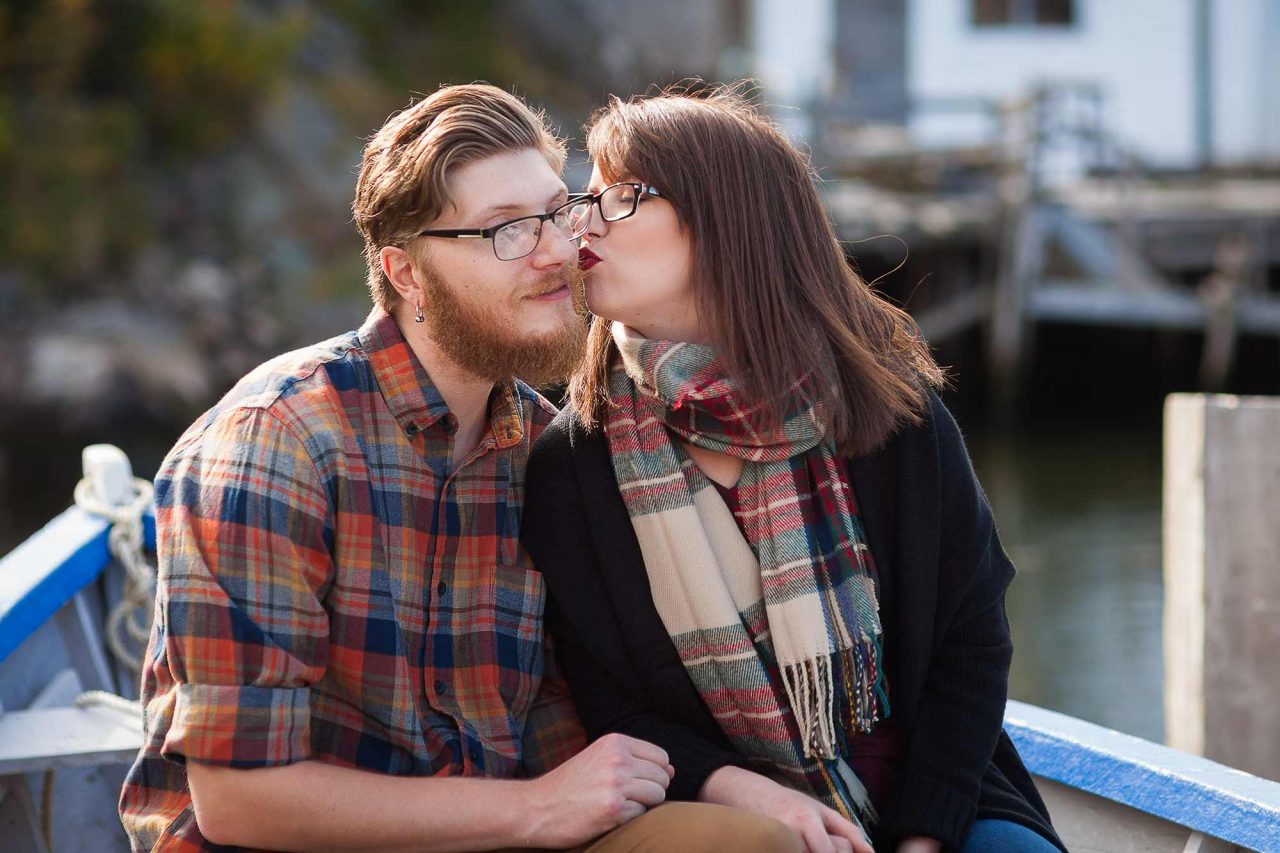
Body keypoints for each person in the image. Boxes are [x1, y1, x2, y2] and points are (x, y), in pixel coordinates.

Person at [119, 83, 797, 853]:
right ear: (407, 274)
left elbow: (575, 713)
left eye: (556, 211)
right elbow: (237, 799)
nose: (556, 249)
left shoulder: (552, 449)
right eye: (507, 230)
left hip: (511, 832)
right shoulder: (280, 441)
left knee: (750, 842)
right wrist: (538, 809)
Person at [522, 85, 1067, 853]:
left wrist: (924, 837)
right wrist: (747, 793)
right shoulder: (574, 461)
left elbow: (970, 641)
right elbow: (612, 705)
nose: (585, 220)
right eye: (587, 196)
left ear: (725, 218)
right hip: (730, 820)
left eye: (624, 196)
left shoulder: (888, 410)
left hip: (940, 802)